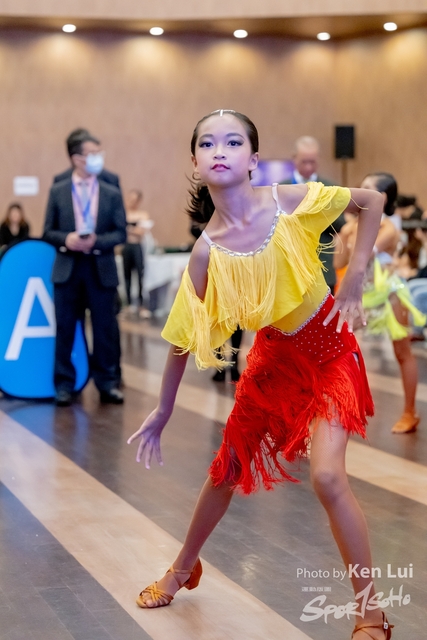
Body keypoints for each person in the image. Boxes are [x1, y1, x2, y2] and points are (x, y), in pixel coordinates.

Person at [127, 111, 393, 640]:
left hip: (331, 352)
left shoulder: (286, 201)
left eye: (232, 142)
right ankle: (183, 568)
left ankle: (371, 613)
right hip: (274, 361)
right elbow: (182, 337)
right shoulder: (206, 252)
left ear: (252, 159)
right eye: (208, 143)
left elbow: (371, 201)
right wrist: (162, 408)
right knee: (225, 469)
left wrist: (355, 278)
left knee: (327, 477)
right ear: (196, 162)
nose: (219, 150)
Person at [334, 172, 426, 434]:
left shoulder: (388, 227)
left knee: (402, 351)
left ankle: (410, 412)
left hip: (389, 294)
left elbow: (366, 252)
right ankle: (342, 406)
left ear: (382, 197)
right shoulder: (352, 227)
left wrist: (352, 232)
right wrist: (345, 231)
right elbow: (339, 262)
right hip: (362, 295)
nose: (358, 193)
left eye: (366, 189)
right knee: (339, 345)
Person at [43, 130, 126, 406]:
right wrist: (66, 239)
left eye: (99, 153)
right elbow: (48, 231)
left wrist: (96, 242)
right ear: (77, 158)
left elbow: (121, 233)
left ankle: (108, 383)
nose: (98, 158)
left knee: (105, 329)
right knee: (65, 328)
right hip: (68, 268)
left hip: (100, 268)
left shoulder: (111, 192)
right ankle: (64, 384)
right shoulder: (58, 190)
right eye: (92, 153)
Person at [281, 135, 345, 294]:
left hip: (323, 265)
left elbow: (341, 225)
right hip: (291, 265)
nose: (309, 167)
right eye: (304, 162)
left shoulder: (330, 187)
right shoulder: (282, 188)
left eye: (313, 162)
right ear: (294, 159)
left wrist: (319, 211)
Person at [122, 189, 153, 317]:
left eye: (134, 200)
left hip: (137, 247)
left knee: (140, 275)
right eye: (130, 199)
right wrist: (134, 229)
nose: (131, 202)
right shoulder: (124, 214)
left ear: (139, 201)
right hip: (126, 246)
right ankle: (128, 304)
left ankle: (141, 304)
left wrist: (129, 229)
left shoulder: (143, 215)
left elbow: (141, 232)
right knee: (126, 275)